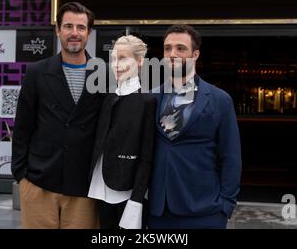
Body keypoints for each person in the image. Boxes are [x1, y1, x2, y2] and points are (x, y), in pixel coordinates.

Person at [11, 2, 103, 229]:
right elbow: (23, 126)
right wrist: (22, 176)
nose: (74, 33)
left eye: (81, 27)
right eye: (68, 26)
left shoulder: (104, 74)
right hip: (39, 183)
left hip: (84, 188)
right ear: (58, 30)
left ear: (89, 33)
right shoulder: (37, 72)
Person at [148, 24, 242, 229]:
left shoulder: (219, 99)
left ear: (195, 54)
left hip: (204, 211)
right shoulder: (151, 97)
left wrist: (226, 204)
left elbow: (231, 156)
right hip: (158, 210)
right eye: (167, 48)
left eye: (181, 48)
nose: (172, 54)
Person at [88, 35, 157, 229]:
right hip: (99, 185)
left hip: (127, 189)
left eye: (123, 58)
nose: (116, 65)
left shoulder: (147, 101)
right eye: (113, 58)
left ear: (140, 61)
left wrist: (137, 199)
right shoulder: (108, 97)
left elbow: (147, 156)